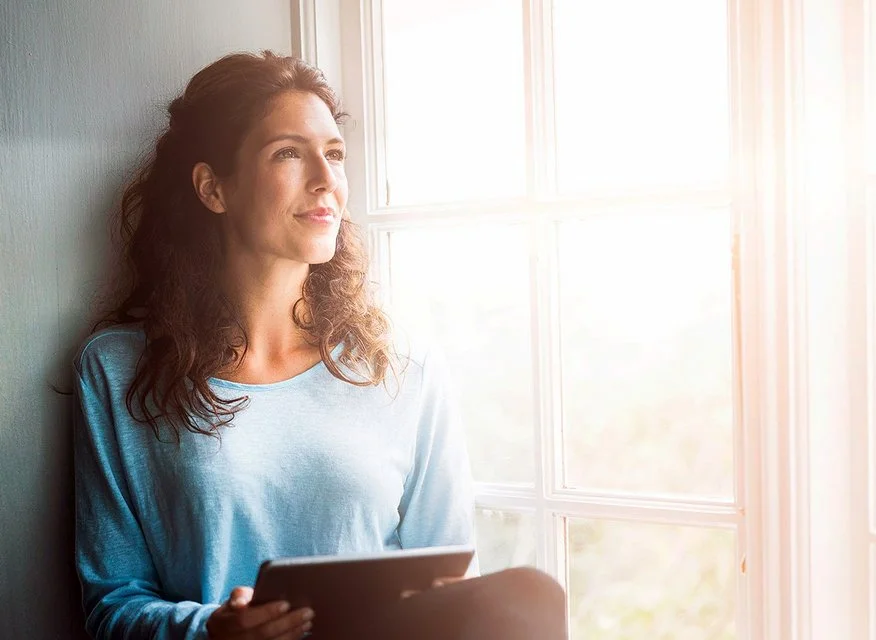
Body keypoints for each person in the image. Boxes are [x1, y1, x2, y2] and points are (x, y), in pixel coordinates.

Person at [72, 50, 566, 639]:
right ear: (212, 188)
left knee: (527, 598)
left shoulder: (401, 364)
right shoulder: (117, 370)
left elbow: (452, 579)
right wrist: (212, 631)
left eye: (334, 154)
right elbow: (111, 602)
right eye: (288, 153)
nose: (327, 180)